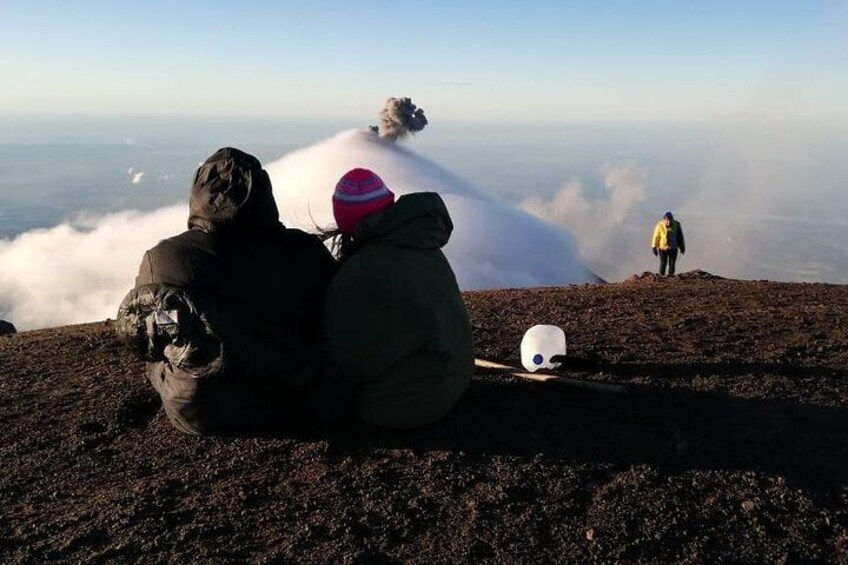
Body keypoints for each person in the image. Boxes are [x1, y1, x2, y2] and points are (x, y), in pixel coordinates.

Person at [116, 147, 335, 435]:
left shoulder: (166, 257)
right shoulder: (306, 250)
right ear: (264, 193)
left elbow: (148, 332)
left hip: (204, 409)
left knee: (162, 348)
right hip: (296, 397)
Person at [320, 168, 473, 428]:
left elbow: (355, 362)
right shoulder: (421, 243)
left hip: (405, 404)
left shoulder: (366, 269)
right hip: (451, 381)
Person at [651, 211, 686, 276]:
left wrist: (682, 247)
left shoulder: (677, 225)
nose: (669, 222)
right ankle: (662, 276)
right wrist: (654, 247)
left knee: (672, 264)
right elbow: (656, 237)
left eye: (670, 220)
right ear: (664, 220)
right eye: (667, 220)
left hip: (673, 248)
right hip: (663, 248)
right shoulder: (660, 225)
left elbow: (680, 237)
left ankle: (671, 277)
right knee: (663, 263)